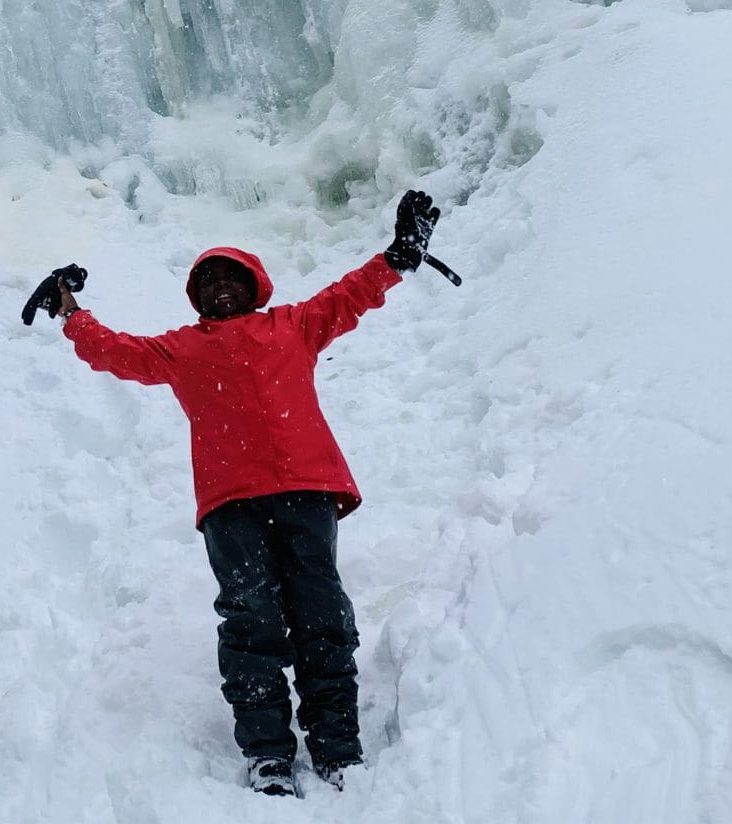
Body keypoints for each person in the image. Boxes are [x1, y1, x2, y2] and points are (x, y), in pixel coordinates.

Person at [52, 190, 441, 798]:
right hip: (231, 503)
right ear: (197, 298)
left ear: (255, 285)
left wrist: (400, 254)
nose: (221, 288)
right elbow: (114, 352)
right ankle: (268, 756)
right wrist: (69, 309)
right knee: (250, 620)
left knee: (321, 613)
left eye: (232, 278)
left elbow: (351, 295)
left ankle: (337, 745)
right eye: (209, 282)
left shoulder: (294, 324)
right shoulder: (180, 348)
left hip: (306, 489)